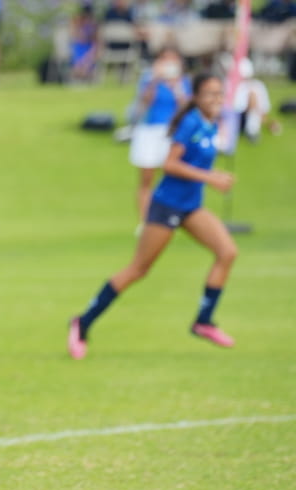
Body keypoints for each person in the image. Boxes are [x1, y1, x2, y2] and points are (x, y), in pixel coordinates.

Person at [68, 73, 239, 359]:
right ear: (196, 97)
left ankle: (203, 321)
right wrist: (211, 177)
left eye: (219, 94)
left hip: (191, 207)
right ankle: (82, 323)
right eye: (210, 94)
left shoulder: (211, 125)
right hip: (167, 207)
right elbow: (169, 165)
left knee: (227, 252)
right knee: (138, 269)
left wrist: (212, 177)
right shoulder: (191, 123)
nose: (216, 100)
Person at [128, 47, 190, 224]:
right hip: (149, 130)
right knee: (147, 179)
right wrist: (155, 80)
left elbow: (186, 108)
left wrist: (176, 87)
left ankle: (171, 217)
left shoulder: (183, 82)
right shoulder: (150, 80)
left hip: (172, 132)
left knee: (172, 176)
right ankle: (146, 221)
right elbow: (143, 103)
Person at [232, 57, 281, 142]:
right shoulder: (235, 86)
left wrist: (268, 123)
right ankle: (251, 132)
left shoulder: (258, 86)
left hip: (251, 117)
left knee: (253, 97)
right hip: (237, 119)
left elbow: (262, 112)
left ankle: (252, 132)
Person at [69, 3, 99, 82]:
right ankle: (80, 72)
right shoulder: (77, 22)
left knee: (93, 50)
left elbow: (96, 39)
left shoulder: (94, 24)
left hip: (90, 46)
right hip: (79, 46)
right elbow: (75, 35)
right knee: (78, 51)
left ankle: (84, 73)